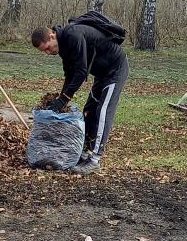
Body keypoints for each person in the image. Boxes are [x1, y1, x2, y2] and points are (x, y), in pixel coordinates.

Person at [31, 13, 129, 175]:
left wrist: (64, 99)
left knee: (103, 111)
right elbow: (69, 74)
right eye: (44, 51)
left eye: (47, 48)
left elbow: (81, 72)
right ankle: (85, 152)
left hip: (115, 69)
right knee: (89, 109)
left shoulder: (73, 35)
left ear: (51, 36)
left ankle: (95, 159)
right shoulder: (63, 46)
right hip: (101, 73)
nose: (48, 53)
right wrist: (60, 100)